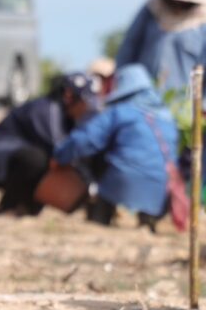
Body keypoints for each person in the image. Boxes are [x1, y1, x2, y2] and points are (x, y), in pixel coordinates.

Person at [51, 63, 179, 226]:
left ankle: (100, 218)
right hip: (160, 194)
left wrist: (59, 156)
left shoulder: (121, 111)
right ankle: (145, 221)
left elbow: (85, 139)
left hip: (121, 184)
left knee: (104, 173)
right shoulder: (167, 119)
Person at [0, 72, 99, 215]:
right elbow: (60, 151)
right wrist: (90, 187)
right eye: (85, 102)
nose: (87, 108)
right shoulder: (45, 111)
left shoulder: (66, 116)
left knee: (42, 160)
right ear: (69, 95)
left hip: (14, 157)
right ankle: (9, 207)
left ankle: (27, 208)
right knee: (38, 159)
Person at [116, 0, 206, 97]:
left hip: (185, 106)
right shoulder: (151, 10)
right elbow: (127, 52)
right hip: (143, 101)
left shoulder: (202, 23)